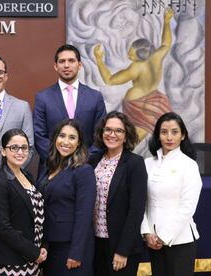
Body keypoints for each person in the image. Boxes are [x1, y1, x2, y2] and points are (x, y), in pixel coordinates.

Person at [93, 9, 174, 140]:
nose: (128, 55)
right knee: (153, 137)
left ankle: (125, 158)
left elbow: (109, 80)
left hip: (138, 105)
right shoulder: (156, 57)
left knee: (134, 139)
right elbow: (166, 44)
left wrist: (99, 60)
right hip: (155, 101)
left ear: (140, 56)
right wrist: (166, 22)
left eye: (131, 53)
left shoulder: (137, 67)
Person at [141, 112, 201, 276]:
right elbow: (141, 203)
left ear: (183, 136)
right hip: (153, 241)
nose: (169, 137)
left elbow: (187, 207)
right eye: (164, 132)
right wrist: (146, 233)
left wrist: (164, 236)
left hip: (180, 240)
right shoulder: (147, 164)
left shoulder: (189, 165)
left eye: (175, 132)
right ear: (157, 135)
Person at [34, 44, 106, 179]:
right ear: (55, 66)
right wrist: (59, 162)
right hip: (51, 171)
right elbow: (39, 136)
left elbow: (100, 136)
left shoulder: (95, 97)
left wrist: (80, 162)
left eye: (71, 61)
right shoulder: (43, 98)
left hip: (86, 170)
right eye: (62, 61)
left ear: (79, 65)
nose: (66, 65)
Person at [88, 111, 147, 275]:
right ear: (102, 132)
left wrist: (123, 250)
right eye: (108, 130)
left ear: (126, 135)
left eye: (118, 131)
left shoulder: (135, 164)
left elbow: (136, 210)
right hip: (95, 243)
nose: (112, 134)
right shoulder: (93, 161)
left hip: (120, 245)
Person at [39, 119, 96, 275]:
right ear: (55, 138)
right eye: (62, 135)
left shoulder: (84, 171)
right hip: (50, 245)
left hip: (71, 247)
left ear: (78, 143)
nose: (66, 141)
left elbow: (84, 214)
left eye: (72, 137)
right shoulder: (48, 167)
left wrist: (76, 253)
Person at [0, 129, 47, 275]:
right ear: (3, 151)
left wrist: (43, 247)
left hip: (33, 258)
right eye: (14, 148)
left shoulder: (28, 176)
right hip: (11, 262)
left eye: (24, 148)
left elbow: (37, 218)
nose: (20, 152)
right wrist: (34, 252)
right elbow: (4, 228)